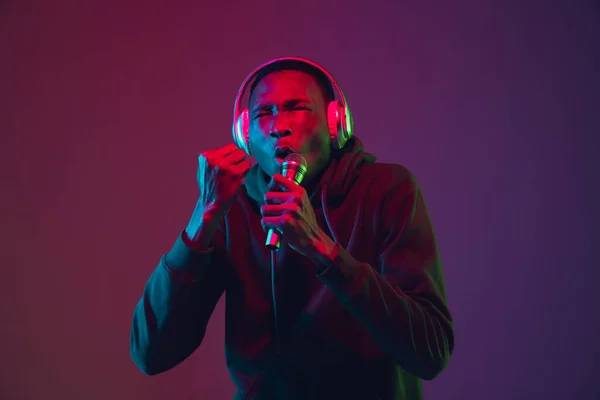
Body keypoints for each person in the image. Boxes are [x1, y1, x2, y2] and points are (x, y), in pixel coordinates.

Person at [130, 57, 454, 400]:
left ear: (335, 123)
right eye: (263, 114)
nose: (277, 126)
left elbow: (430, 352)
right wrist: (203, 216)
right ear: (244, 134)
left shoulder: (388, 190)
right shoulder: (233, 208)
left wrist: (321, 249)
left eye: (295, 108)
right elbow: (151, 353)